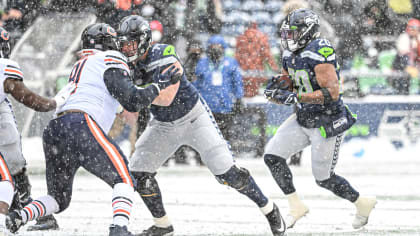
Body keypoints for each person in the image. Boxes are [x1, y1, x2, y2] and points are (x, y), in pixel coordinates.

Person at [6, 23, 181, 236]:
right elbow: (133, 100)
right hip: (81, 124)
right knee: (125, 179)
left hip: (55, 129)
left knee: (58, 199)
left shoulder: (81, 65)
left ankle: (20, 216)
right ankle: (119, 228)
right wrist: (157, 85)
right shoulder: (110, 59)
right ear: (109, 42)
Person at [118, 15, 286, 236]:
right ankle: (162, 225)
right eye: (123, 43)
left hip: (193, 117)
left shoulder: (163, 53)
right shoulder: (124, 62)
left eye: (131, 42)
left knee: (229, 174)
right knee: (139, 173)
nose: (126, 48)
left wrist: (133, 92)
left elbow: (166, 97)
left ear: (143, 40)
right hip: (163, 124)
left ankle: (269, 209)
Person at [263, 9, 377, 230]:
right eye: (288, 33)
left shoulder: (320, 50)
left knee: (324, 179)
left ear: (307, 32)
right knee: (272, 156)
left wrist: (296, 96)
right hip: (304, 116)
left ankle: (362, 203)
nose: (289, 38)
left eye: (294, 33)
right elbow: (290, 78)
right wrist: (278, 87)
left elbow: (331, 93)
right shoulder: (289, 52)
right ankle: (296, 206)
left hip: (327, 121)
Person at [0, 26, 73, 235]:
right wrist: (54, 102)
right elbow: (30, 100)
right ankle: (24, 208)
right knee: (11, 170)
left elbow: (30, 99)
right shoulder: (5, 65)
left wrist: (53, 103)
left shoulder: (4, 67)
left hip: (2, 114)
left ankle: (25, 208)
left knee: (12, 168)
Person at [193, 35, 243, 147]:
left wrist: (239, 97)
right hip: (207, 106)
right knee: (206, 134)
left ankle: (226, 156)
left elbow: (237, 81)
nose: (215, 48)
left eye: (218, 46)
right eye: (213, 46)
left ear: (223, 47)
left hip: (225, 104)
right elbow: (196, 83)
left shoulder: (231, 62)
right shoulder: (202, 63)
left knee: (224, 134)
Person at [235, 22, 279, 97]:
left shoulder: (241, 37)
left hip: (244, 71)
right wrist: (274, 67)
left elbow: (237, 56)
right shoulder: (261, 37)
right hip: (257, 70)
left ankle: (246, 106)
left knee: (245, 94)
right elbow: (267, 54)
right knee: (254, 94)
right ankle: (254, 107)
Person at [393, 18, 420, 94]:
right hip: (404, 64)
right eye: (412, 28)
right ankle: (403, 91)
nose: (413, 30)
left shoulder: (418, 37)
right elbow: (403, 53)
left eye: (416, 28)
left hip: (416, 63)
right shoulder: (404, 37)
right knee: (404, 60)